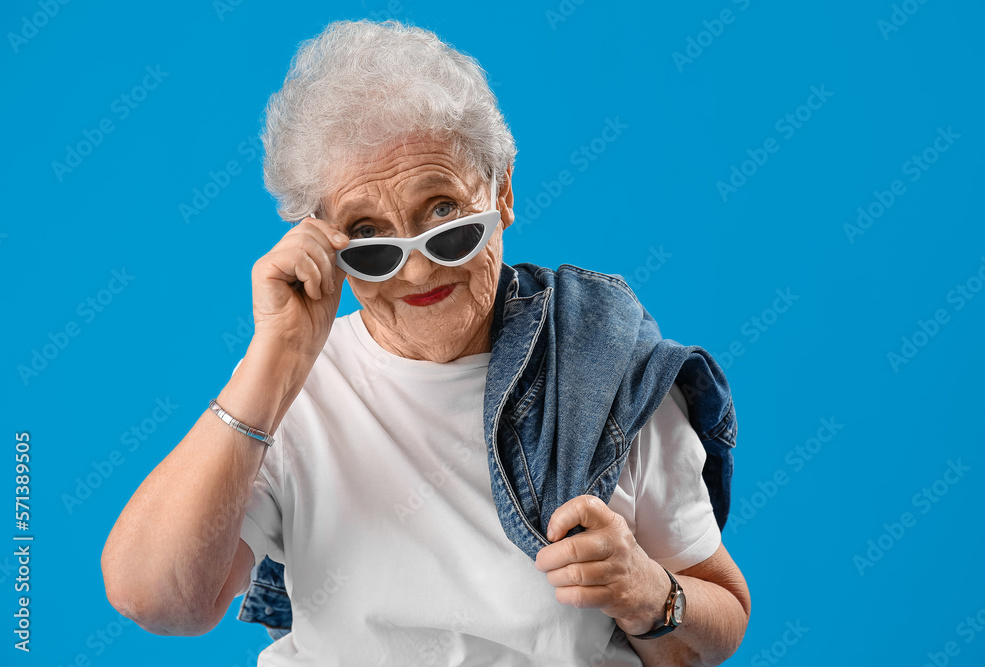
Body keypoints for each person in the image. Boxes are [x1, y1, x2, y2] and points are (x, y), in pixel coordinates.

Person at [101, 19, 750, 666]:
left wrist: (648, 592)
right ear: (325, 242)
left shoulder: (605, 372)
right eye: (371, 240)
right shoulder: (287, 394)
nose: (416, 270)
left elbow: (702, 638)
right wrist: (271, 363)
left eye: (444, 216)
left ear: (502, 192)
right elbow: (158, 599)